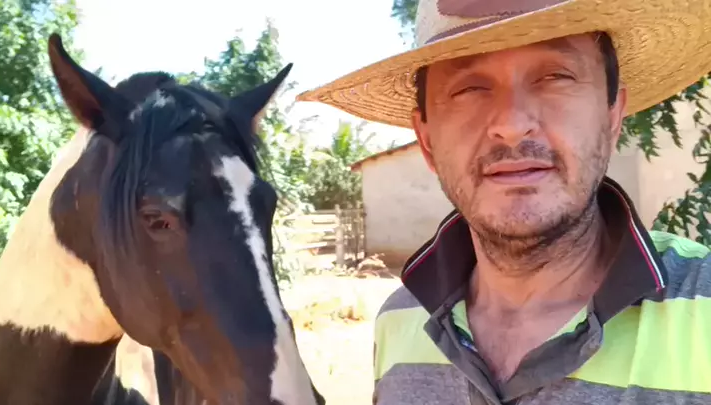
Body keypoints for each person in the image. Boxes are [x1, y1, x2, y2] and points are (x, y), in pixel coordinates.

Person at [297, 0, 711, 404]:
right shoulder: (398, 324)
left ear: (612, 116)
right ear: (426, 141)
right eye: (469, 88)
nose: (512, 126)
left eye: (555, 76)